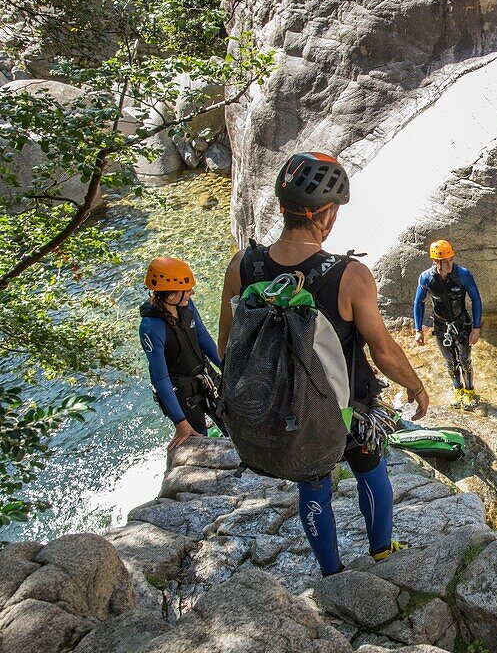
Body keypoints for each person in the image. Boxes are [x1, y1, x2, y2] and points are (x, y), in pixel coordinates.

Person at [218, 151, 429, 574]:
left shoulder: (243, 265)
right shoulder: (350, 275)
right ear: (326, 215)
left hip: (286, 413)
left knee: (313, 488)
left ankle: (332, 574)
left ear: (283, 207)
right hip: (345, 407)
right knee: (371, 472)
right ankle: (382, 551)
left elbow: (227, 347)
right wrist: (416, 386)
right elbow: (383, 351)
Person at [139, 257, 224, 452]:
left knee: (231, 420)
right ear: (170, 296)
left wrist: (224, 368)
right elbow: (160, 378)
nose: (191, 293)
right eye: (186, 290)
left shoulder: (186, 306)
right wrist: (180, 422)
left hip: (205, 375)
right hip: (183, 391)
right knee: (199, 437)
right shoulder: (151, 327)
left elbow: (203, 337)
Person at [413, 239, 483, 408]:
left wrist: (476, 328)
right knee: (450, 361)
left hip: (461, 323)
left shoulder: (463, 274)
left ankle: (469, 392)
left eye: (451, 259)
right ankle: (457, 390)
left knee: (465, 359)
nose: (450, 263)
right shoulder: (426, 278)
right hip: (441, 325)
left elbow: (476, 299)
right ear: (435, 261)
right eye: (446, 261)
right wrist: (418, 330)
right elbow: (418, 303)